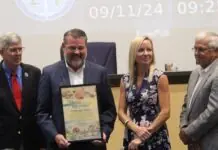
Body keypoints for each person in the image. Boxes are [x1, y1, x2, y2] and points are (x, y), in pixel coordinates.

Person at [36, 28, 117, 150]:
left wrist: (104, 132)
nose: (77, 52)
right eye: (72, 48)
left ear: (86, 48)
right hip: (61, 145)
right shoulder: (49, 73)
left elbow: (109, 109)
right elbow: (42, 113)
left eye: (81, 48)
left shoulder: (99, 72)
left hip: (93, 145)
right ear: (64, 47)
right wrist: (55, 136)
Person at [118, 36, 171, 150]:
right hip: (132, 135)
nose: (146, 53)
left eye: (149, 49)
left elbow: (165, 112)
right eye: (141, 50)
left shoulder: (160, 77)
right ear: (133, 54)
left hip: (155, 136)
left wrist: (144, 135)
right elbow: (121, 112)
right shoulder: (125, 79)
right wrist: (136, 129)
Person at [0, 32, 43, 149]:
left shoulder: (34, 73)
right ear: (2, 52)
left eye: (20, 49)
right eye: (13, 50)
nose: (18, 54)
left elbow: (40, 107)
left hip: (31, 140)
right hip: (5, 142)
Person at [179, 32, 218, 150]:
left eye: (201, 50)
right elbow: (186, 105)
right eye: (194, 49)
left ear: (215, 51)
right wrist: (184, 127)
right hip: (193, 143)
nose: (196, 53)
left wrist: (190, 133)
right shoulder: (195, 73)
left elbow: (214, 111)